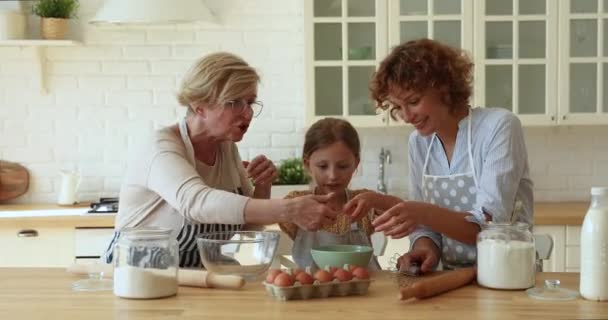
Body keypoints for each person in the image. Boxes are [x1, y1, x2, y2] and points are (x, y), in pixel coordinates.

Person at [104, 52, 338, 268]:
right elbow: (196, 203)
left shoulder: (226, 149)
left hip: (193, 280)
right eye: (234, 102)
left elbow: (246, 231)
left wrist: (262, 187)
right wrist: (288, 209)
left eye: (250, 102)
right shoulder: (159, 148)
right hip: (136, 275)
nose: (247, 113)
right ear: (200, 106)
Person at [345, 39, 534, 272]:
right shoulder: (419, 142)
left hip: (506, 275)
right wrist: (425, 249)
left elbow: (489, 228)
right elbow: (426, 229)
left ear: (444, 88)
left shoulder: (498, 127)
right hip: (450, 280)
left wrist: (418, 212)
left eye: (413, 102)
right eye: (397, 107)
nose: (406, 116)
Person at [279, 118, 380, 270]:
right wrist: (263, 185)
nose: (333, 175)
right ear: (307, 164)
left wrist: (379, 200)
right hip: (311, 291)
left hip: (363, 291)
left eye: (343, 166)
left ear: (356, 163)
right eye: (323, 166)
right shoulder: (297, 202)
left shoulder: (365, 203)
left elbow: (409, 217)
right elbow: (256, 224)